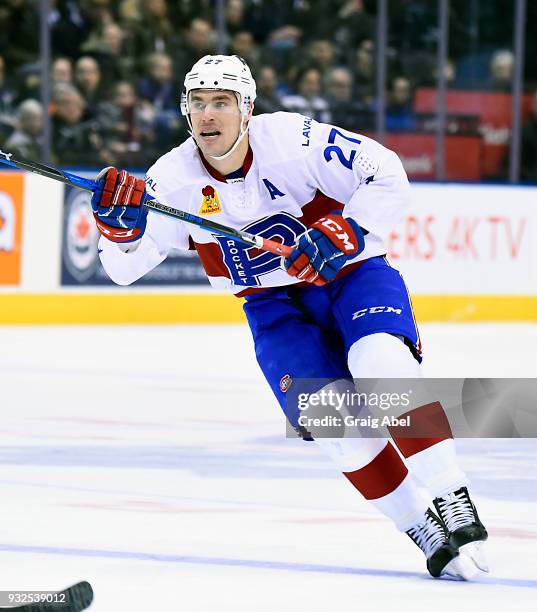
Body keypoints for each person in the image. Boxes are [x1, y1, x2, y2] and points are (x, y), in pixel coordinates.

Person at [90, 55, 488, 580]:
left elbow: (387, 173)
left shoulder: (294, 141)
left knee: (381, 363)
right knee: (335, 423)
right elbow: (123, 269)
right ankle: (421, 526)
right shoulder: (172, 179)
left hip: (349, 276)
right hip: (272, 309)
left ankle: (451, 494)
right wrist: (120, 232)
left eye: (222, 103)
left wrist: (349, 229)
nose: (208, 115)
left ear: (247, 108)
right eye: (198, 103)